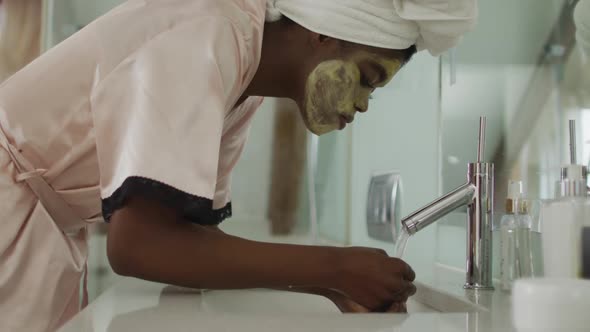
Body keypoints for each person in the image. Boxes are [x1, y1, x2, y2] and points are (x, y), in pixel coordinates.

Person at [0, 0, 476, 331]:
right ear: (324, 34)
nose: (364, 104)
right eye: (368, 79)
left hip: (40, 226)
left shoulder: (242, 83)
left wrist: (330, 284)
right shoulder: (208, 36)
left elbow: (188, 237)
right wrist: (335, 265)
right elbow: (139, 245)